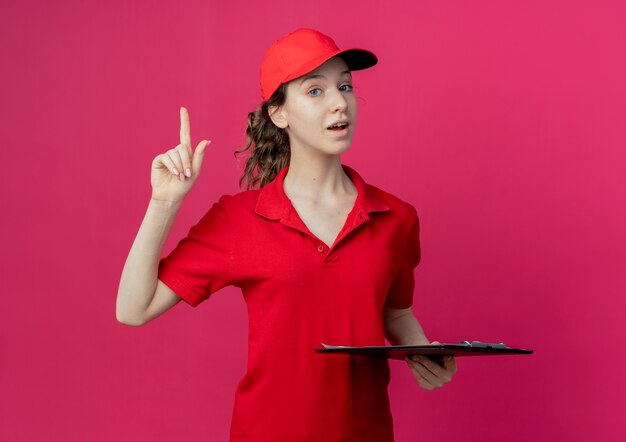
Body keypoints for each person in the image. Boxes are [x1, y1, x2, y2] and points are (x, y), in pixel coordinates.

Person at [116, 28, 457, 441]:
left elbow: (395, 313)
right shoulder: (238, 218)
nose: (339, 102)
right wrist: (164, 202)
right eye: (315, 91)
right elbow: (133, 310)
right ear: (279, 114)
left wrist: (422, 353)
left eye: (344, 85)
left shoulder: (396, 218)